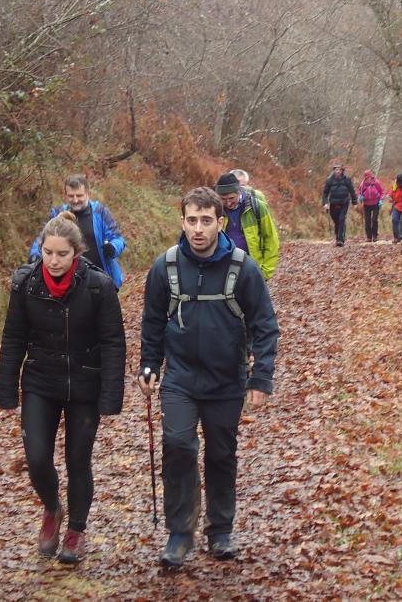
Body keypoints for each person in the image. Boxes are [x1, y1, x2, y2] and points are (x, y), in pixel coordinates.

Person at [138, 187, 279, 568]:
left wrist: (260, 378)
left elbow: (265, 325)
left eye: (205, 221)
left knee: (221, 454)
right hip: (180, 379)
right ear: (181, 221)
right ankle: (180, 533)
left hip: (226, 381)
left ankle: (220, 530)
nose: (197, 229)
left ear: (220, 222)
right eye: (191, 220)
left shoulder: (242, 268)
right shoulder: (164, 267)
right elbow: (152, 323)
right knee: (179, 446)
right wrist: (148, 366)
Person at [0, 211, 126, 564]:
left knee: (77, 461)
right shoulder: (26, 285)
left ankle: (76, 531)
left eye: (61, 254)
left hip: (85, 383)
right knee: (37, 458)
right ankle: (53, 508)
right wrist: (6, 389)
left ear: (77, 253)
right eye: (47, 253)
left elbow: (114, 341)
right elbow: (13, 338)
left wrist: (111, 396)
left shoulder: (99, 286)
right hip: (41, 380)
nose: (53, 261)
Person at [29, 174, 127, 290]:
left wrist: (113, 247)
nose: (75, 200)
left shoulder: (100, 212)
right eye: (71, 196)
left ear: (87, 193)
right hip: (68, 283)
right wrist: (35, 255)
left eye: (79, 195)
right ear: (65, 195)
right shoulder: (57, 213)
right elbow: (42, 239)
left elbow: (118, 239)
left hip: (101, 279)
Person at [215, 172, 279, 281]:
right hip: (223, 271)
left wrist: (265, 272)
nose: (228, 203)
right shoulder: (215, 209)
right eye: (223, 199)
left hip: (251, 270)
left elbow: (271, 239)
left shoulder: (257, 207)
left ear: (238, 191)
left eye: (231, 198)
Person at [321, 163, 357, 247]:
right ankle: (338, 237)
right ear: (334, 171)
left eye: (339, 170)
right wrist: (325, 203)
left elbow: (352, 190)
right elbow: (325, 193)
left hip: (344, 202)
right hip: (333, 203)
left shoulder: (347, 179)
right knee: (336, 222)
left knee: (341, 219)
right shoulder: (329, 180)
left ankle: (340, 239)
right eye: (336, 170)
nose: (337, 171)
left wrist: (354, 202)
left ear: (342, 171)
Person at [357, 169, 386, 243]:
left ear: (371, 177)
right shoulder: (362, 184)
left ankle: (375, 236)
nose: (367, 179)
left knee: (374, 219)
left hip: (376, 203)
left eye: (368, 177)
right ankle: (369, 237)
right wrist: (360, 197)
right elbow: (359, 193)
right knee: (367, 221)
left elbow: (382, 192)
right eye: (366, 178)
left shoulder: (376, 183)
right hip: (366, 204)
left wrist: (381, 200)